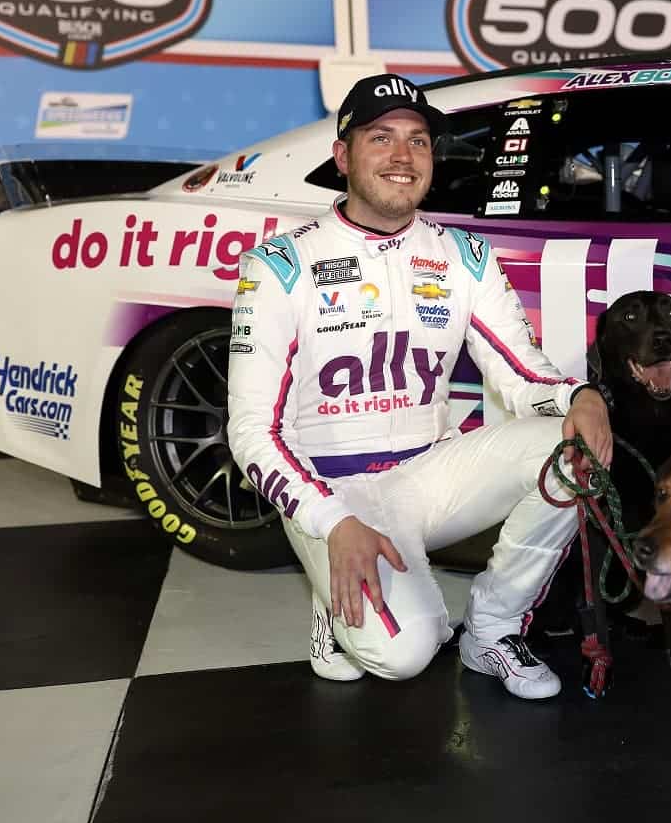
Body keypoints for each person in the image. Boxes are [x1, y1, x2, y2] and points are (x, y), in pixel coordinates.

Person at [226, 73, 612, 700]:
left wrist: (579, 398)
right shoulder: (280, 265)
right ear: (343, 156)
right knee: (407, 654)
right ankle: (333, 596)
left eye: (418, 141)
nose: (403, 157)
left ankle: (492, 629)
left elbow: (521, 374)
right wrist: (332, 520)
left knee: (571, 452)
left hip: (428, 476)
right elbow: (249, 431)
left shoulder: (463, 255)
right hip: (333, 491)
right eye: (381, 139)